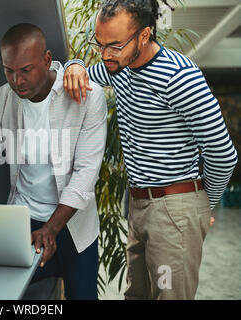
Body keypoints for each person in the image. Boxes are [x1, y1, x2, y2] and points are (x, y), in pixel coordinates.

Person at [62, 0, 238, 299]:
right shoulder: (118, 66)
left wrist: (206, 204)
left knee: (168, 295)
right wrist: (74, 64)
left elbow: (222, 152)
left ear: (144, 36)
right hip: (139, 204)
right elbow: (84, 73)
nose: (105, 54)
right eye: (99, 43)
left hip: (175, 206)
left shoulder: (180, 78)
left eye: (114, 45)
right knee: (137, 295)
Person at [0, 23, 107, 299]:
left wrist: (51, 229)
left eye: (26, 70)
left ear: (46, 60)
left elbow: (85, 174)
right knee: (11, 297)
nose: (17, 81)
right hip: (24, 219)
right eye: (9, 71)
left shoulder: (87, 97)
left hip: (74, 225)